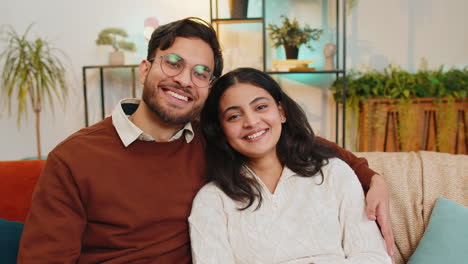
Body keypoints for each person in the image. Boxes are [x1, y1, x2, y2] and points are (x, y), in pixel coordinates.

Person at [18, 17, 393, 263]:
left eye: (201, 73)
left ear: (209, 88)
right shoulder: (74, 158)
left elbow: (289, 138)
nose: (185, 80)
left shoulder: (211, 137)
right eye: (173, 63)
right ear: (146, 67)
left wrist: (370, 176)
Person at [189, 67, 392, 264]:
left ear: (282, 112)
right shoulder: (212, 200)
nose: (251, 121)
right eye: (234, 116)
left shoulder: (333, 173)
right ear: (221, 129)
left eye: (260, 107)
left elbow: (375, 257)